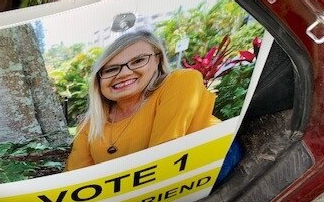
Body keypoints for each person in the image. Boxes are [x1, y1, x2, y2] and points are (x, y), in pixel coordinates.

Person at [66, 30, 220, 170]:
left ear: (157, 60)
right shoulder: (90, 125)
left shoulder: (181, 81)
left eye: (138, 61)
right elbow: (73, 177)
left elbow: (163, 162)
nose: (124, 73)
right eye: (111, 69)